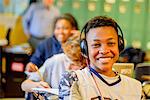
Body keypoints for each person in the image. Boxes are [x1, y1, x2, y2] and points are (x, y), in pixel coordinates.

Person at [59, 16, 143, 100]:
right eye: (96, 45)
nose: (104, 50)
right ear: (85, 49)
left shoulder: (135, 87)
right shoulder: (73, 80)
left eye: (110, 43)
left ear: (119, 46)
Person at [21, 32, 86, 99]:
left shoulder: (92, 66)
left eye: (80, 61)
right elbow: (24, 85)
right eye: (73, 61)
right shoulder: (56, 60)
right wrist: (37, 85)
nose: (69, 67)